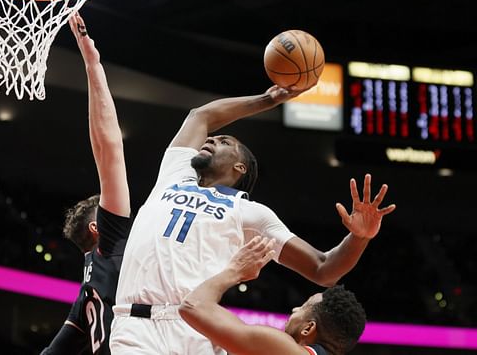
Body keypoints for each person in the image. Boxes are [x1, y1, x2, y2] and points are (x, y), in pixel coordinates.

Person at [110, 79, 395, 354]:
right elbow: (201, 117)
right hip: (136, 326)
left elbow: (323, 268)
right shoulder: (174, 175)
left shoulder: (251, 213)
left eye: (225, 142)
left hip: (197, 326)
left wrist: (359, 237)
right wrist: (269, 99)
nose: (211, 139)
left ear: (240, 167)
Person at [40, 13, 132, 355]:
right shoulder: (110, 244)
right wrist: (93, 65)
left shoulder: (88, 290)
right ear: (98, 227)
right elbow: (109, 150)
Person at [180, 236, 366, 355]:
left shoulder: (283, 348)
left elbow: (192, 306)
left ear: (308, 328)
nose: (294, 309)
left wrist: (234, 272)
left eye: (303, 307)